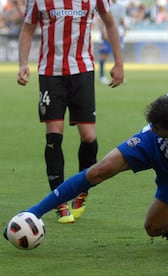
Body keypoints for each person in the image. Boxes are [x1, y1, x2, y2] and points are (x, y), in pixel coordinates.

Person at [7, 48, 168, 259]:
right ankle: (32, 213)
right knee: (99, 170)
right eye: (151, 124)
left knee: (154, 228)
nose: (152, 127)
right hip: (151, 145)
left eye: (157, 127)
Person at [17, 0, 124, 224]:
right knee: (54, 135)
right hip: (50, 73)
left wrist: (119, 63)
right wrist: (23, 63)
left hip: (82, 71)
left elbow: (110, 24)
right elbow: (27, 29)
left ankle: (82, 190)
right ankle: (59, 202)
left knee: (89, 136)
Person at [99, 0, 127, 85]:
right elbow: (101, 20)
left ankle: (120, 75)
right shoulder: (105, 3)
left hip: (117, 34)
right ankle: (102, 76)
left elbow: (122, 20)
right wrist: (103, 32)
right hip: (107, 34)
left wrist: (125, 30)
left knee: (119, 54)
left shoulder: (121, 7)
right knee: (104, 56)